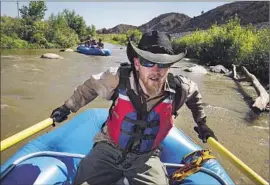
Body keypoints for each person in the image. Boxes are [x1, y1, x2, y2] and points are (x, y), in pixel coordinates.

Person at [50, 30, 217, 185]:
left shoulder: (180, 88)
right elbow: (90, 87)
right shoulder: (117, 78)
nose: (156, 70)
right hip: (108, 148)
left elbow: (195, 97)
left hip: (147, 157)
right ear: (137, 63)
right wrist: (67, 107)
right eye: (148, 62)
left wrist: (201, 123)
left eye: (163, 64)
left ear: (170, 66)